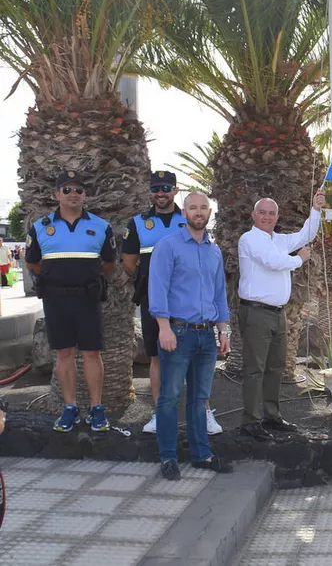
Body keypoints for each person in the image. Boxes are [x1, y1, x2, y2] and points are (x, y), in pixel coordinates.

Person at [123, 171, 221, 435]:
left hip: (186, 304)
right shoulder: (138, 223)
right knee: (156, 356)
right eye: (156, 188)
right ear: (150, 191)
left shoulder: (188, 216)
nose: (161, 193)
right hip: (153, 300)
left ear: (175, 191)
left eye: (166, 188)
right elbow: (129, 262)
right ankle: (159, 414)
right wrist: (154, 285)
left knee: (197, 361)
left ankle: (205, 412)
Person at [148, 191, 232, 480]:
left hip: (207, 336)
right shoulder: (167, 246)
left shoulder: (214, 251)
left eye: (203, 208)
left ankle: (201, 454)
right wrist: (164, 327)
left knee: (200, 399)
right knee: (169, 398)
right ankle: (168, 457)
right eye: (193, 208)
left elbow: (219, 293)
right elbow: (157, 289)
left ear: (210, 213)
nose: (198, 212)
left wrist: (224, 331)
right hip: (177, 333)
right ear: (183, 213)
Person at [24, 171, 116, 432]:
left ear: (85, 194)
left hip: (88, 299)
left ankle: (97, 408)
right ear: (56, 195)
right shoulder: (41, 227)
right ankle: (70, 408)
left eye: (78, 189)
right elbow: (32, 262)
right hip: (56, 300)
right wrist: (56, 278)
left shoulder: (100, 226)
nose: (73, 194)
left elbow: (109, 263)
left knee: (91, 353)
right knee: (64, 353)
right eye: (66, 190)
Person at [237, 192, 324, 440]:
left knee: (275, 367)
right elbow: (273, 262)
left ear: (277, 217)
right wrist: (300, 259)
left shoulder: (280, 240)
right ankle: (251, 422)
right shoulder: (249, 239)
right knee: (255, 368)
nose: (267, 217)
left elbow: (306, 235)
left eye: (271, 213)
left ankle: (271, 416)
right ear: (253, 215)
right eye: (262, 212)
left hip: (277, 313)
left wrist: (315, 210)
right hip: (256, 312)